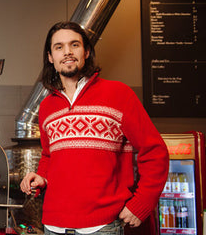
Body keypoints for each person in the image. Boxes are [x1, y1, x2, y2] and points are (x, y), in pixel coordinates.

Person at [20, 21, 169, 235]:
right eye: (59, 47)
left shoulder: (119, 94)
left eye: (74, 45)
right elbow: (49, 155)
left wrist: (142, 202)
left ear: (86, 52)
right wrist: (41, 177)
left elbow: (155, 151)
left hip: (103, 226)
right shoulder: (46, 107)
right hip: (53, 225)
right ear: (51, 58)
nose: (67, 52)